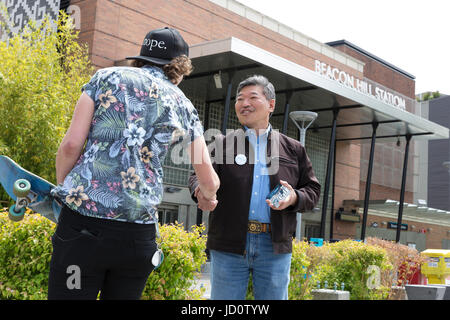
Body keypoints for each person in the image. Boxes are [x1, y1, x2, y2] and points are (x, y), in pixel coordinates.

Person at [48, 27, 219, 300]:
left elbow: (71, 145)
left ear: (142, 56)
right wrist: (207, 197)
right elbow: (208, 179)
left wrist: (65, 191)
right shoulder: (184, 106)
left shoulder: (105, 77)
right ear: (180, 68)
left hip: (81, 230)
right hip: (137, 237)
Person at [189, 75, 321, 300]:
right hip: (228, 244)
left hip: (274, 246)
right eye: (239, 99)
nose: (244, 104)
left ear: (271, 104)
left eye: (252, 97)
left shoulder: (294, 148)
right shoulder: (222, 143)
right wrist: (200, 192)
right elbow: (197, 177)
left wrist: (294, 197)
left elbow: (313, 190)